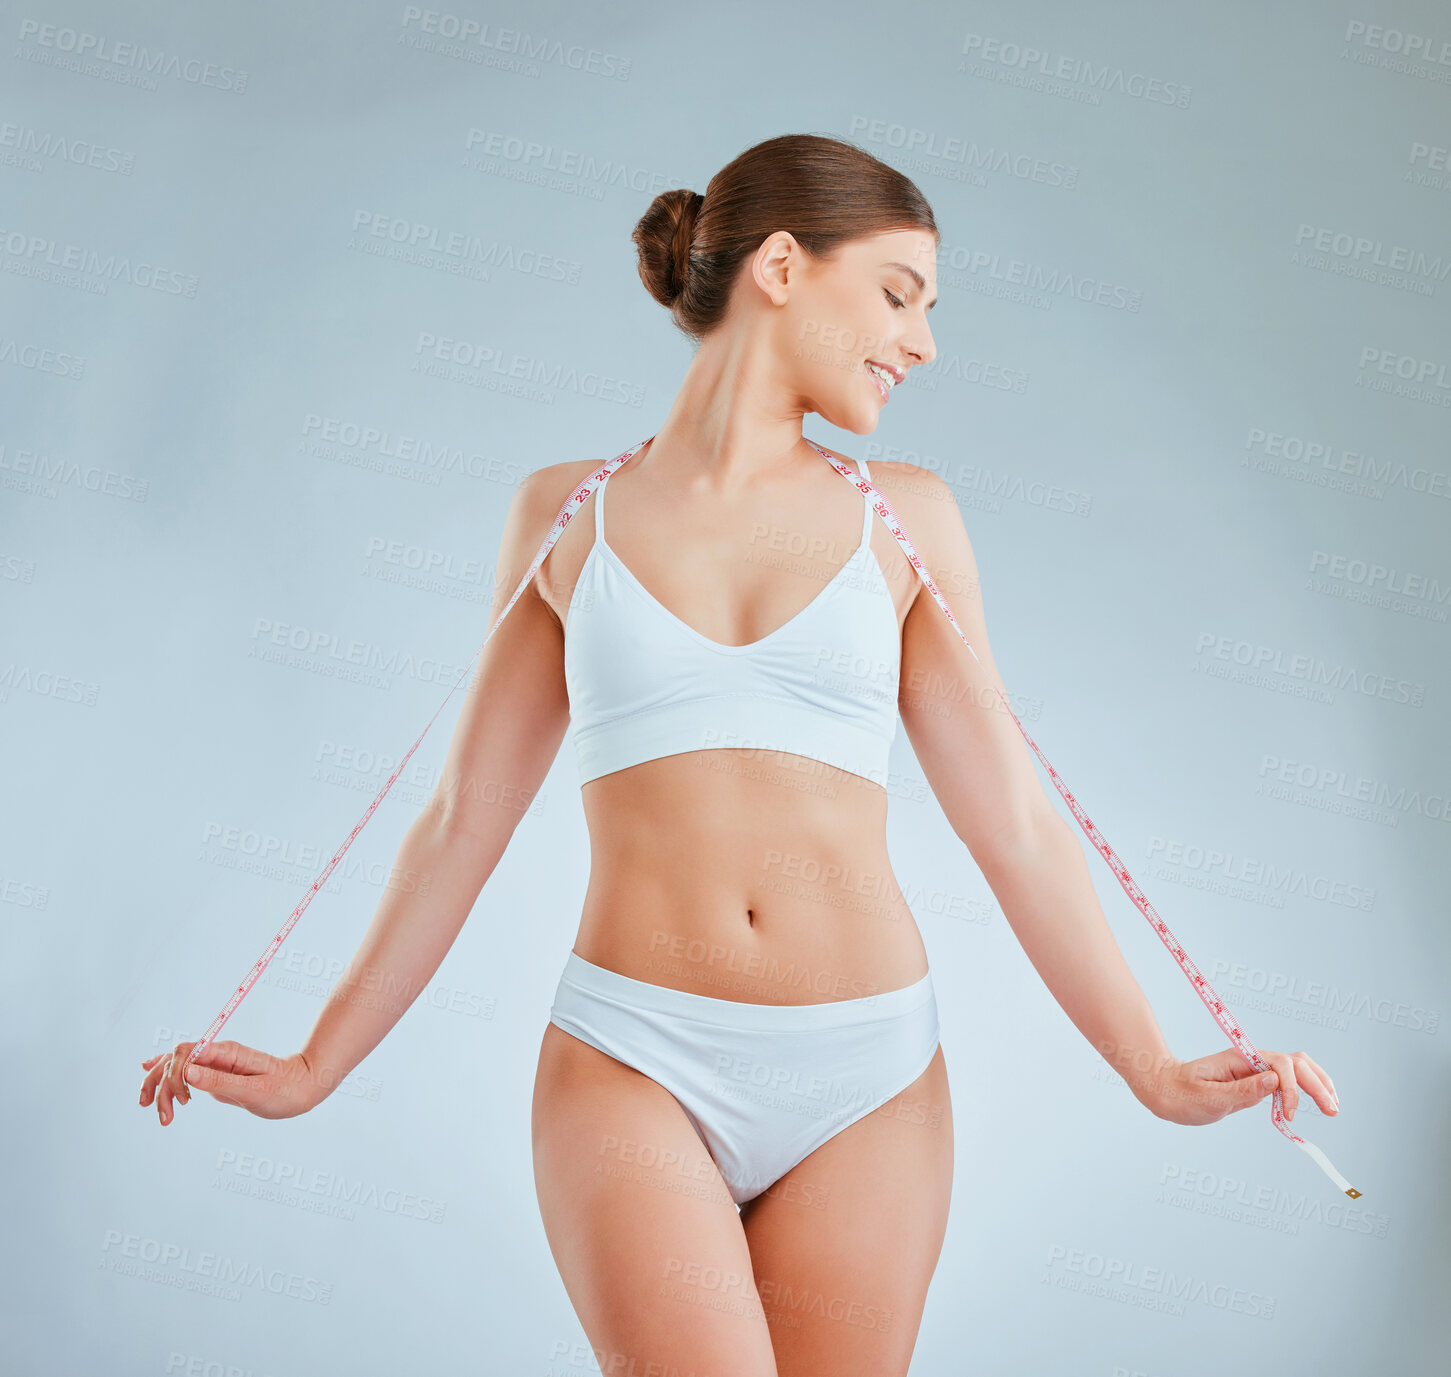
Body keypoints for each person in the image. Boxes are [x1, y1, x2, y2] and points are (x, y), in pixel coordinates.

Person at [139, 133, 1340, 1376]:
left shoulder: (907, 519)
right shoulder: (565, 514)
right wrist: (314, 1064)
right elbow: (462, 818)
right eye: (896, 293)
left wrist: (1148, 1066)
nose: (922, 341)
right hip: (631, 1056)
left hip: (867, 1074)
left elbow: (1014, 825)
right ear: (779, 264)